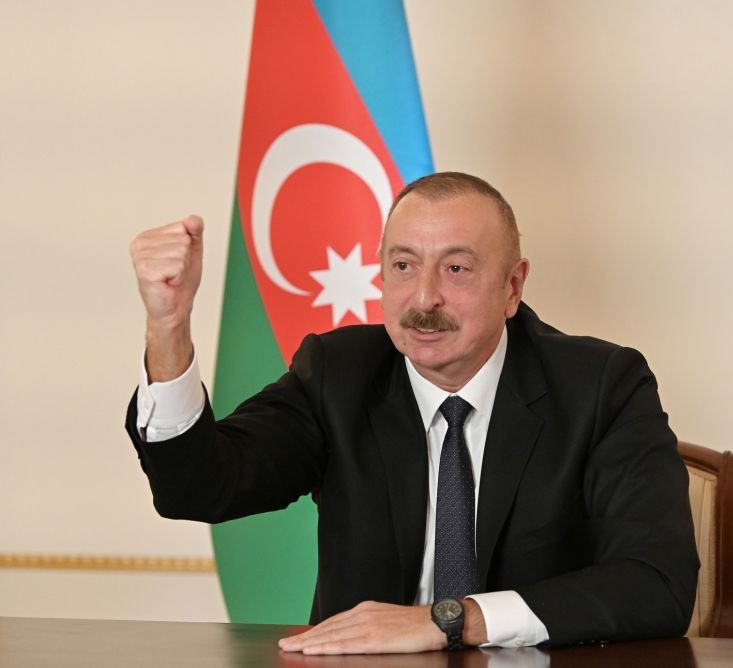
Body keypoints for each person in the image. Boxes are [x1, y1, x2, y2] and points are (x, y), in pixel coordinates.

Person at [127, 172, 698, 655]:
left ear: (513, 286)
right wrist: (168, 327)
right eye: (403, 266)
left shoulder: (600, 387)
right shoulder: (339, 374)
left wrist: (450, 620)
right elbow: (198, 489)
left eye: (456, 269)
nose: (424, 299)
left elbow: (656, 583)